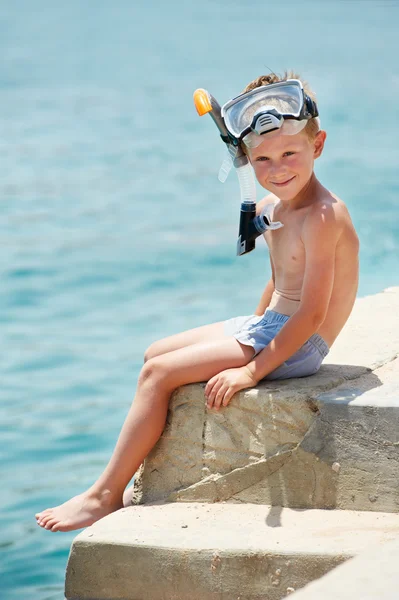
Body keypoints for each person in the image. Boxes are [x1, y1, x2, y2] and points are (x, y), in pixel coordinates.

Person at [35, 71, 359, 532]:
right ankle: (137, 475)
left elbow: (312, 312)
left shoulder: (326, 215)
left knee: (158, 374)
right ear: (246, 157)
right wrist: (248, 329)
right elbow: (278, 282)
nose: (278, 167)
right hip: (269, 325)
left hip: (302, 343)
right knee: (155, 352)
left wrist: (250, 369)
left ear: (318, 145)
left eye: (290, 153)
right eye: (263, 158)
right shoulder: (271, 208)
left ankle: (103, 495)